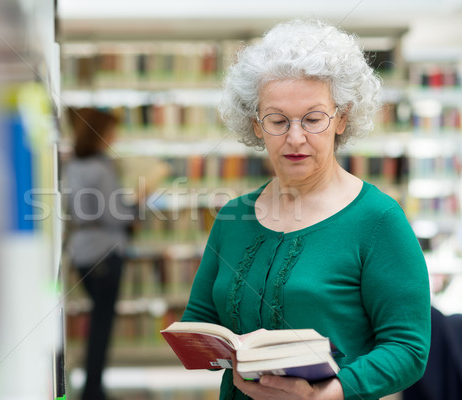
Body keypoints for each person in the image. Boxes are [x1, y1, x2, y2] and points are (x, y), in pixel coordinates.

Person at [181, 19, 431, 400]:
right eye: (278, 121)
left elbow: (409, 349)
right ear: (256, 125)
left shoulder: (379, 220)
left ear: (341, 118)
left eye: (313, 119)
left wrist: (330, 392)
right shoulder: (233, 217)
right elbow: (199, 323)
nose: (295, 137)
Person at [64, 107, 135, 400]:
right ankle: (93, 390)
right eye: (110, 131)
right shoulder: (102, 167)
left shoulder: (71, 166)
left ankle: (92, 386)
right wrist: (136, 204)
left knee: (96, 321)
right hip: (106, 251)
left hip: (82, 251)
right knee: (102, 326)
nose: (113, 137)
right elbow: (116, 215)